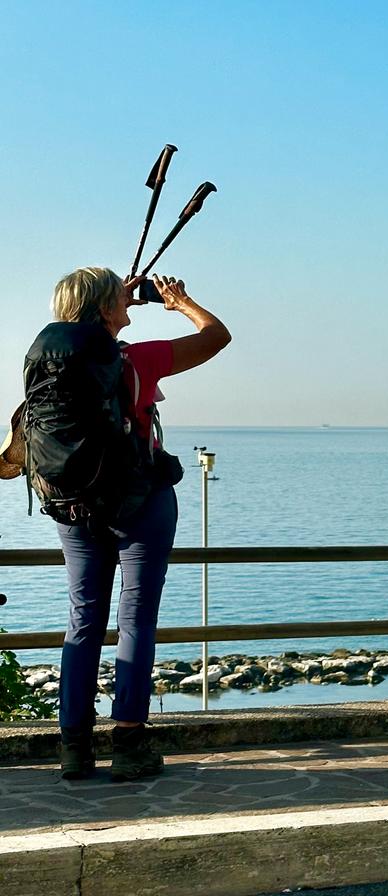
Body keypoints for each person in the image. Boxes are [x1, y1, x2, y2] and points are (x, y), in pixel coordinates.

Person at [45, 267, 230, 781]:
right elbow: (217, 337)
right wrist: (178, 301)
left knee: (83, 621)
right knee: (136, 620)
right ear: (106, 311)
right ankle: (128, 744)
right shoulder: (137, 359)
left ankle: (74, 748)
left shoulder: (48, 363)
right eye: (120, 300)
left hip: (73, 506)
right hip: (139, 505)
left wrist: (112, 300)